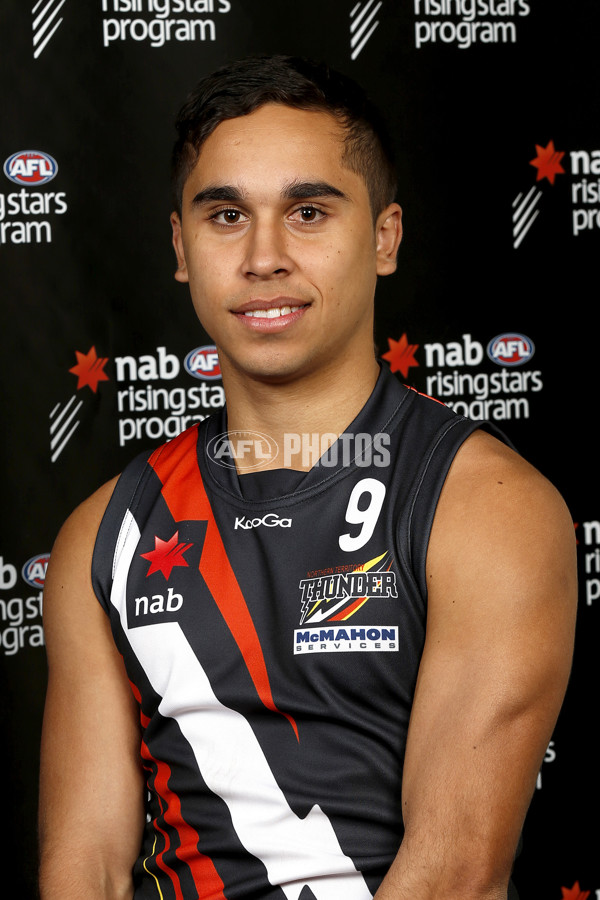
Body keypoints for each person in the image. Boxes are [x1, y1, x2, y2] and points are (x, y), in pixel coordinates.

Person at [38, 56, 577, 900]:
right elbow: (87, 869)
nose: (264, 257)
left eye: (309, 212)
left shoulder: (486, 507)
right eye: (226, 216)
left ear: (385, 238)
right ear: (180, 247)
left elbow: (455, 878)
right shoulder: (105, 534)